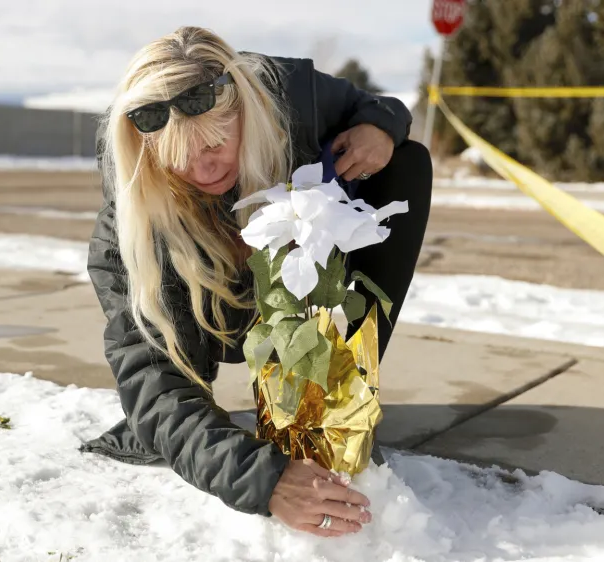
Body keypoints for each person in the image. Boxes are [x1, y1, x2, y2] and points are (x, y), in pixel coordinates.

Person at [80, 26, 432, 538]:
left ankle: (337, 385)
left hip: (303, 291)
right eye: (180, 154)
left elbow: (378, 105)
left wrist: (380, 126)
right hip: (215, 316)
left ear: (247, 106)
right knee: (172, 402)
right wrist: (262, 479)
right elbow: (152, 381)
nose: (204, 165)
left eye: (217, 140)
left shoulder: (293, 95)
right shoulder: (126, 224)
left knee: (406, 163)